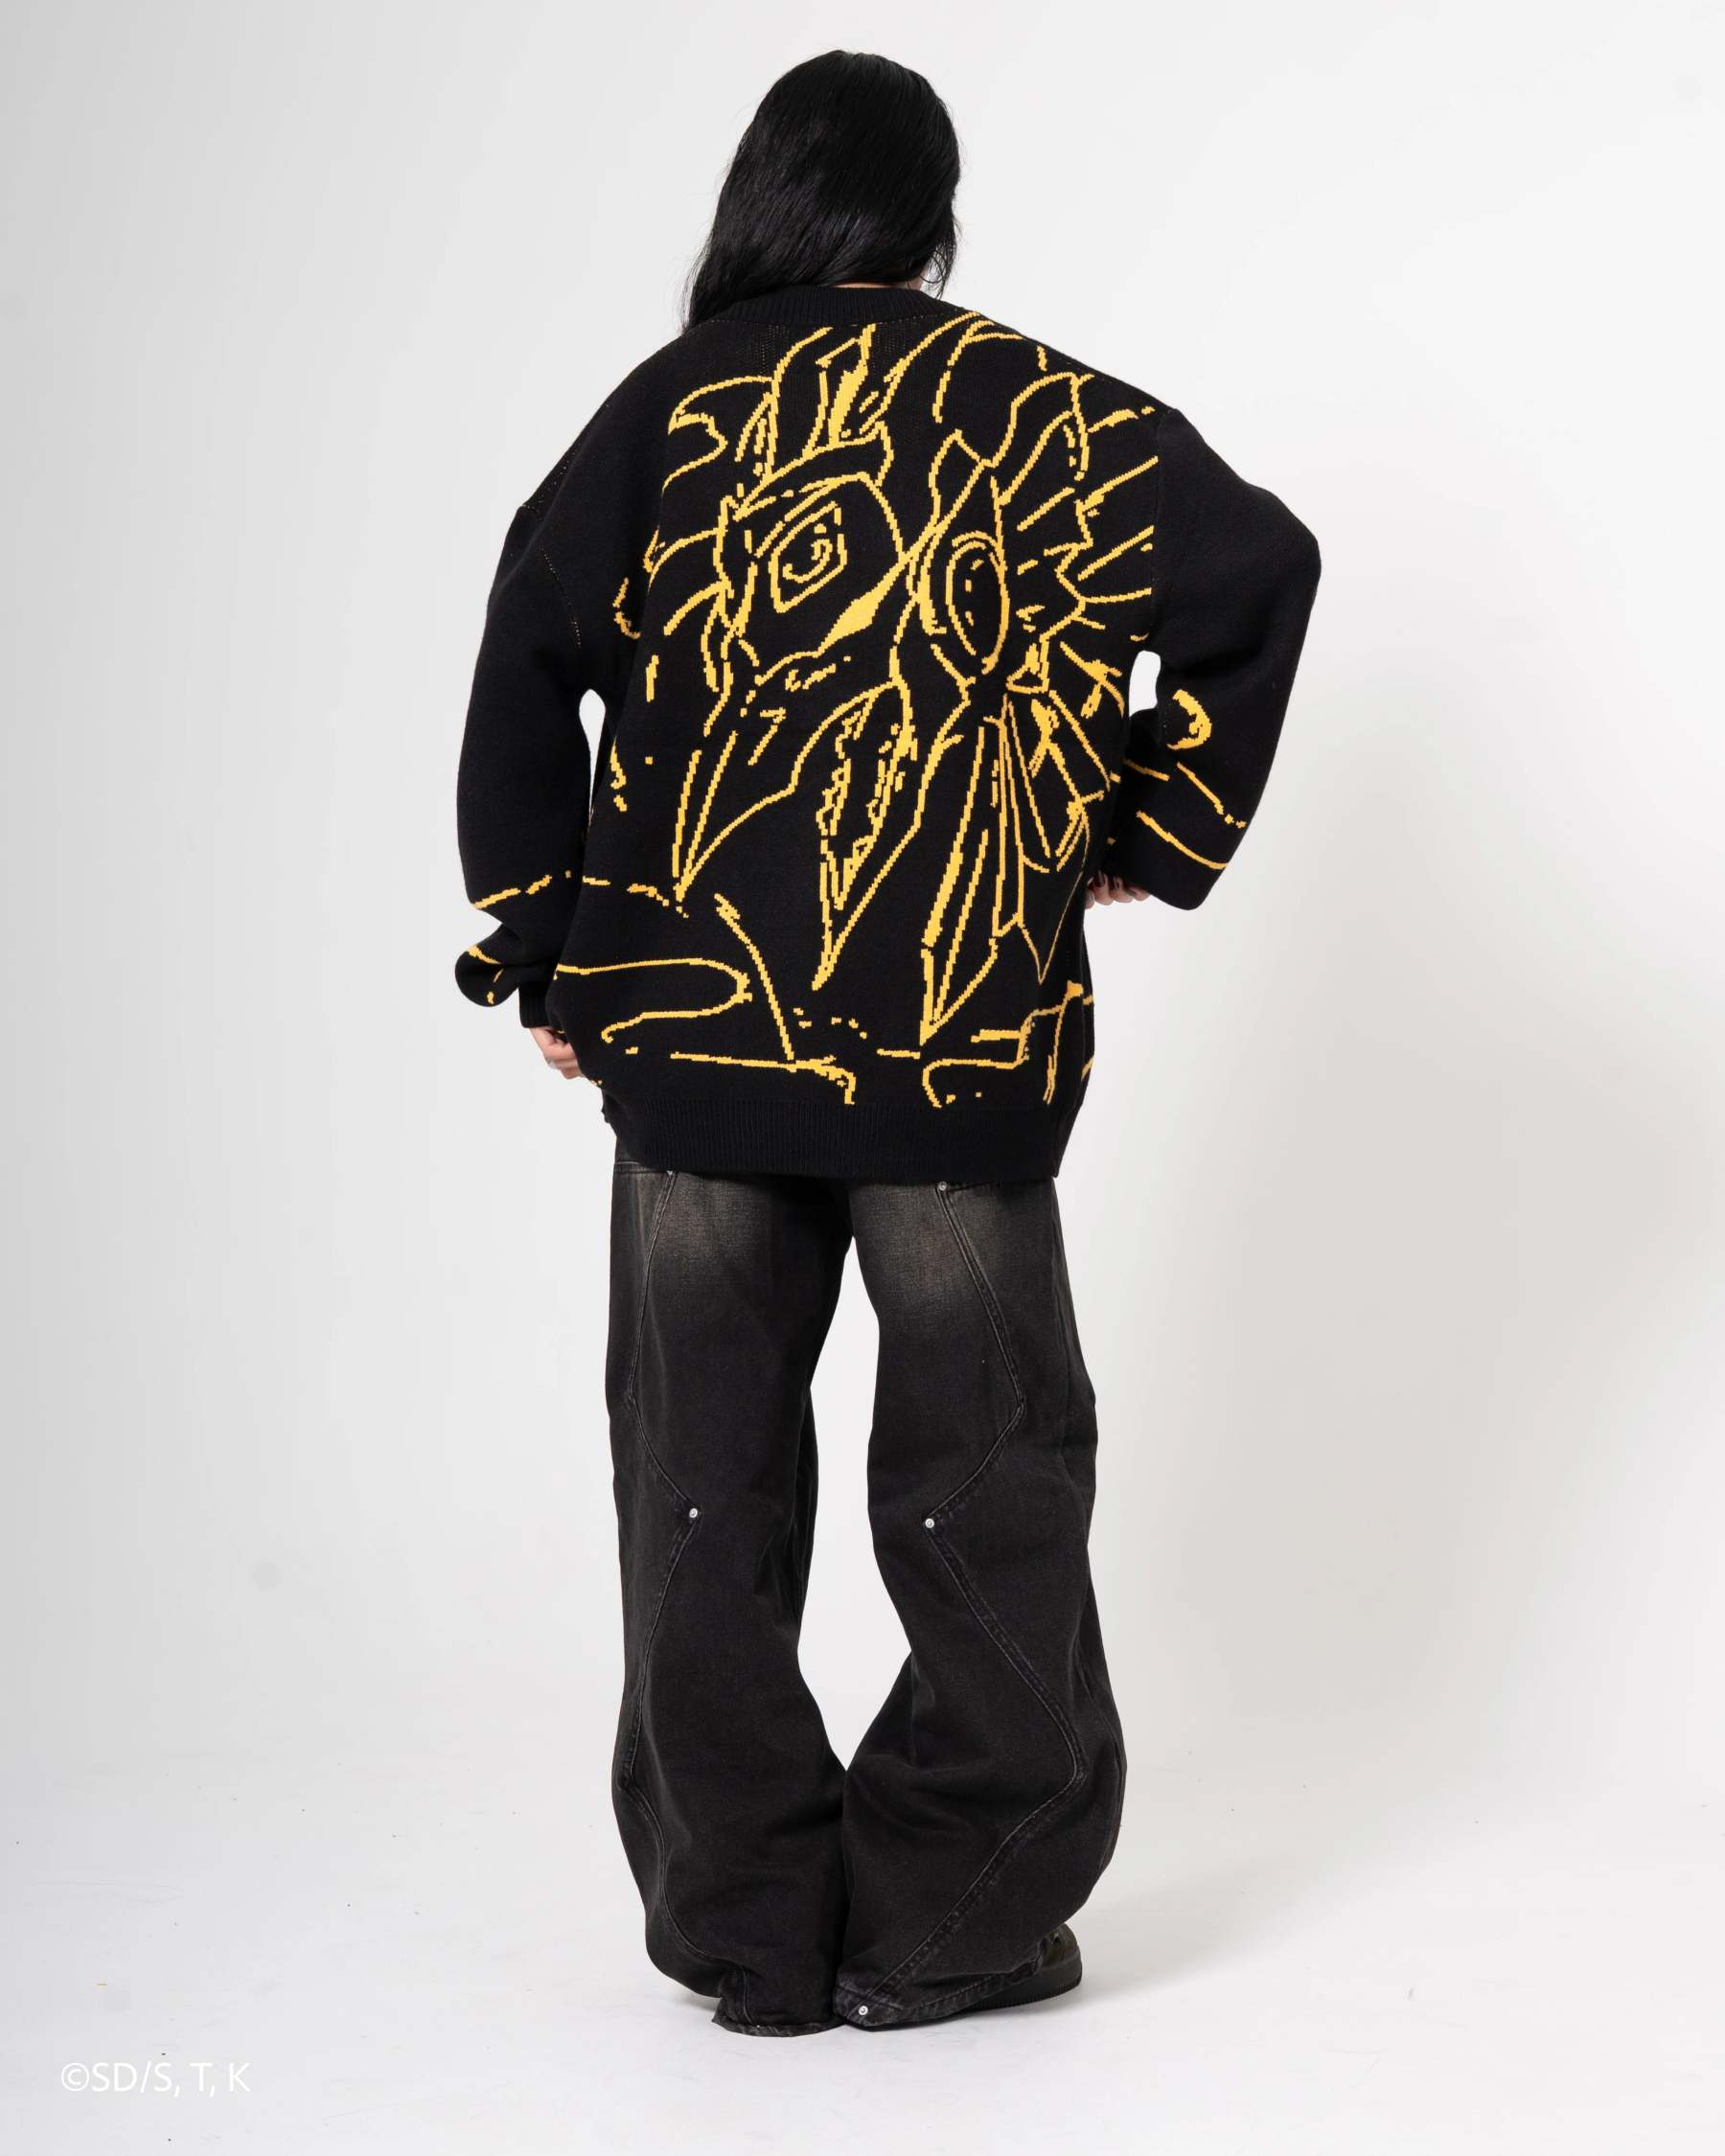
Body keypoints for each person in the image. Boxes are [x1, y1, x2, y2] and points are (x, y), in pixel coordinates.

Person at [454, 49, 1320, 2037]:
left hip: (695, 1053)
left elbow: (524, 642)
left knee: (700, 1486)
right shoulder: (1034, 409)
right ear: (933, 221)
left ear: (764, 199)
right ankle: (953, 1918)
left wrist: (550, 948)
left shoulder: (672, 407)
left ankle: (750, 1930)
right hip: (955, 1047)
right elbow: (1257, 571)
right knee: (985, 1477)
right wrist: (1143, 826)